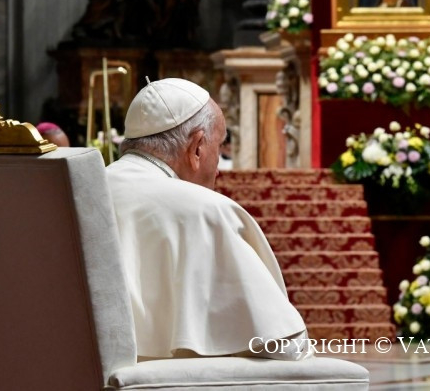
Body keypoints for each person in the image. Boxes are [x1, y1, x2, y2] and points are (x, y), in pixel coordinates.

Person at [105, 78, 311, 360]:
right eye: (219, 145)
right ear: (197, 147)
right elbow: (287, 348)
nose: (218, 170)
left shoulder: (84, 191)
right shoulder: (206, 210)